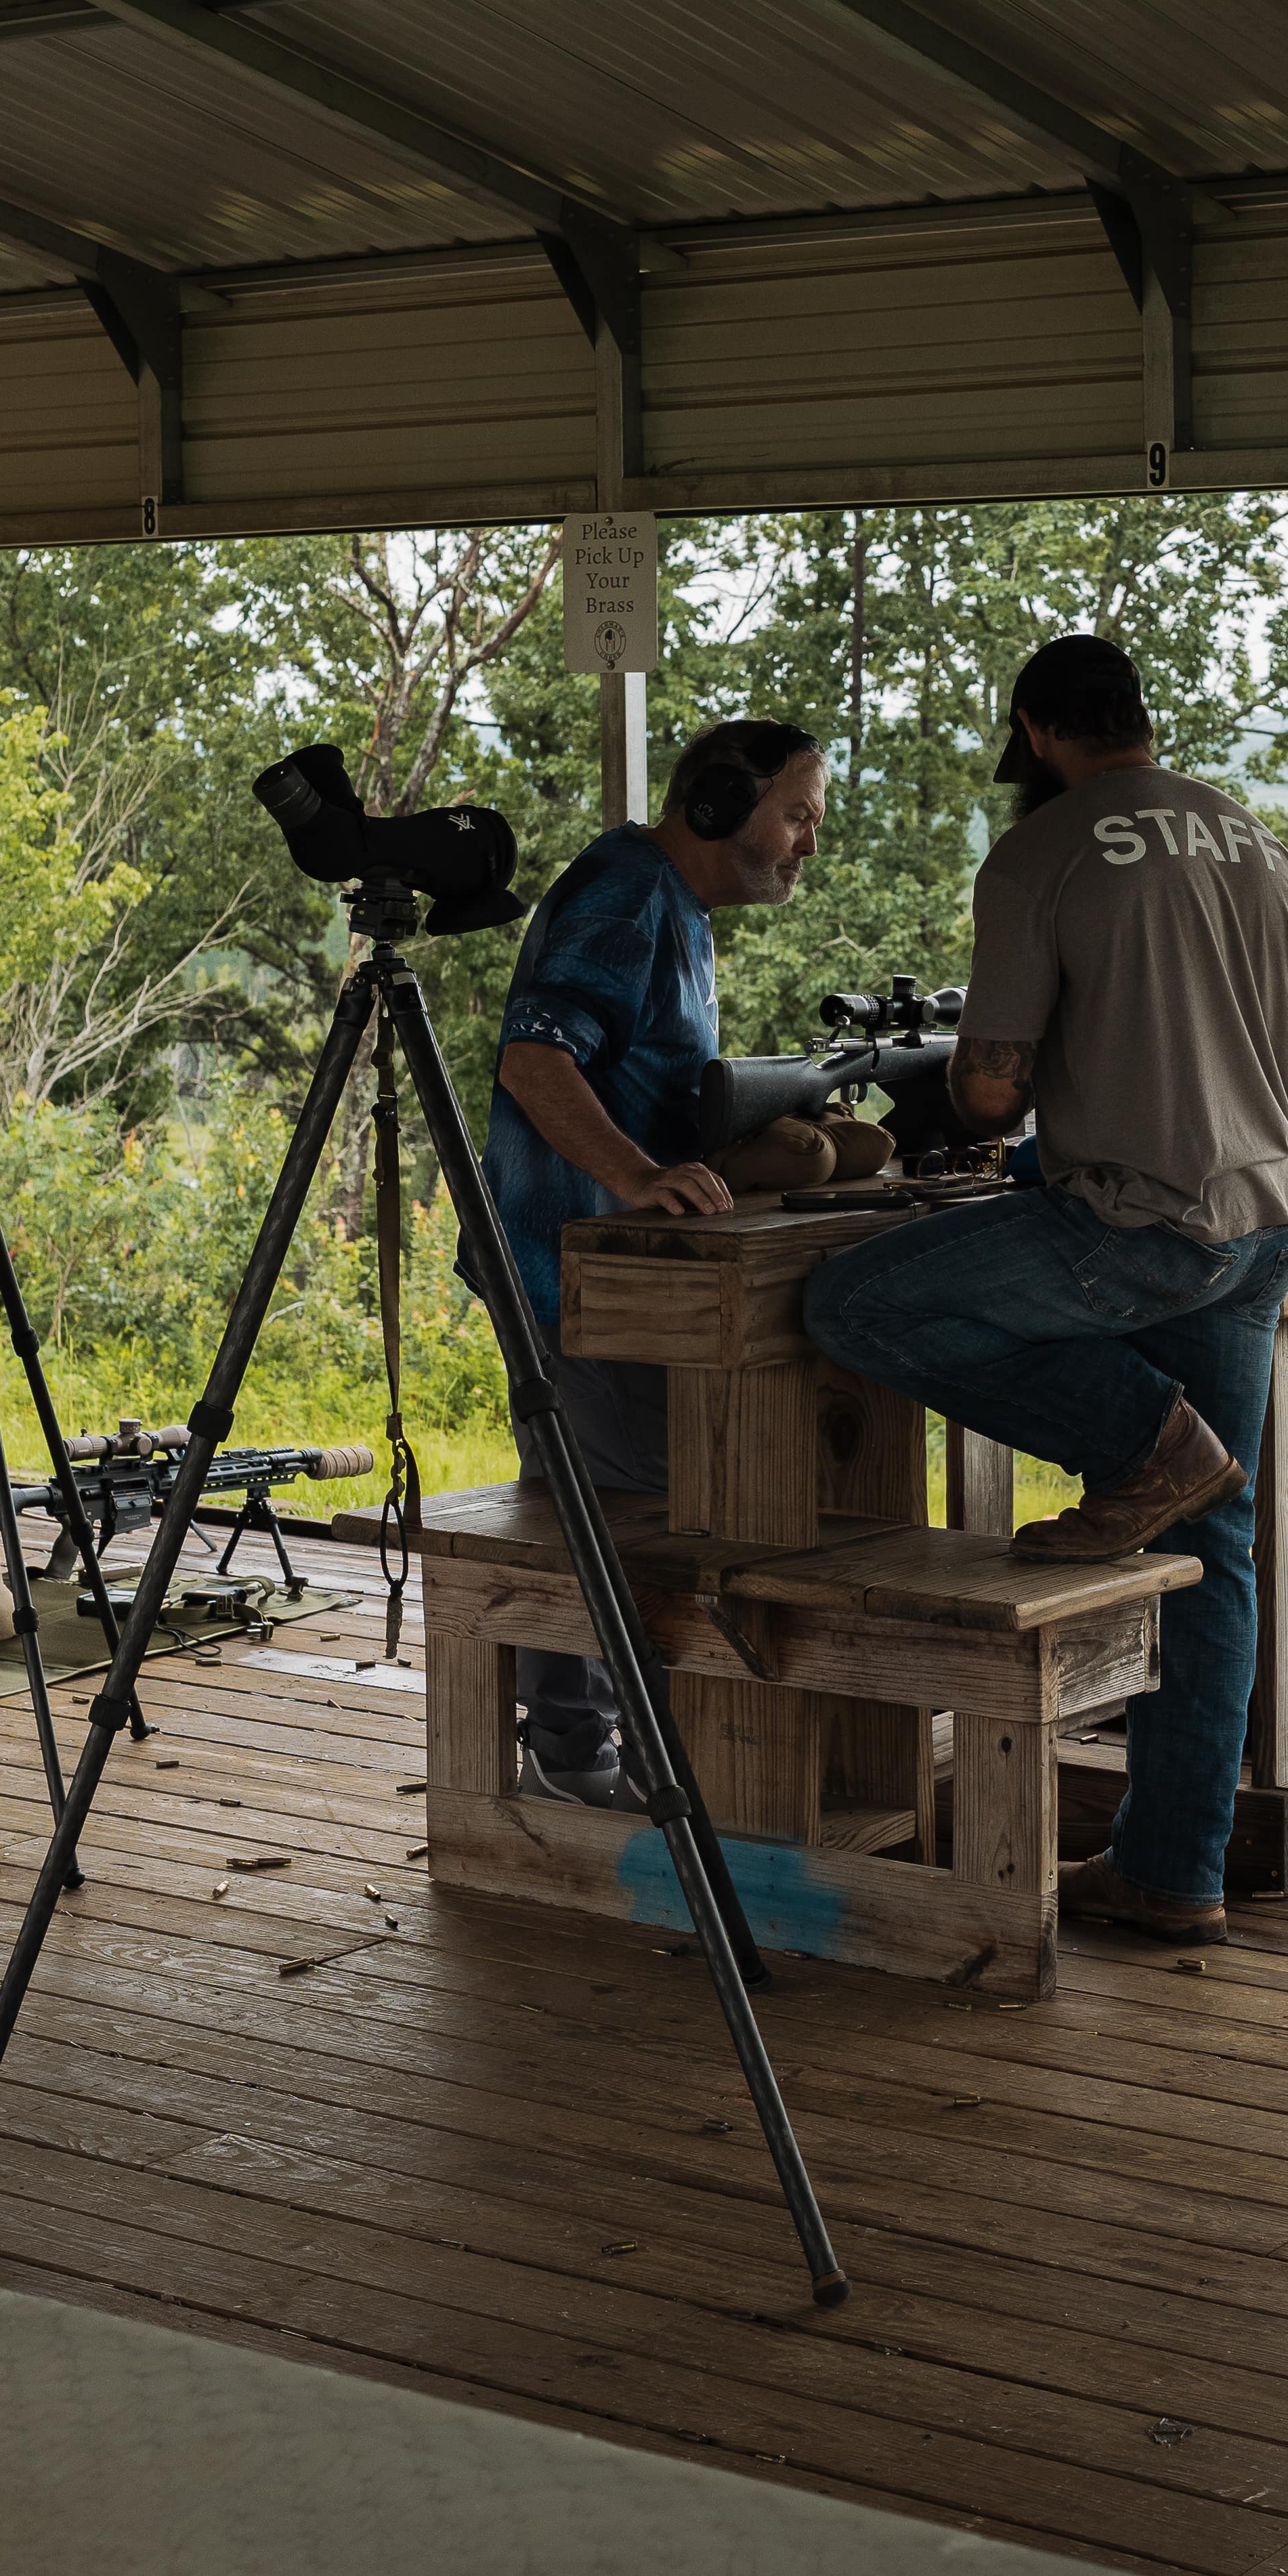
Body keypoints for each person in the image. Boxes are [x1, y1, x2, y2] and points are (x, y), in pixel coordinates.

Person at [802, 635, 1288, 1948]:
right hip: (1262, 1224)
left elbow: (989, 1089)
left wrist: (984, 1088)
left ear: (1036, 729)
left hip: (1134, 1225)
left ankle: (1149, 1441)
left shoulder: (1039, 853)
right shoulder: (1260, 844)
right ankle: (1172, 1871)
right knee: (1211, 1547)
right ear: (1139, 716)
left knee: (853, 1306)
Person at [470, 716, 828, 1803]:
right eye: (797, 816)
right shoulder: (626, 897)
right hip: (579, 1273)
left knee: (593, 1498)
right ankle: (604, 1762)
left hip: (611, 1276)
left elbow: (640, 1081)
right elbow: (536, 1060)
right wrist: (635, 1174)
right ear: (719, 806)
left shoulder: (674, 905)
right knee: (633, 1511)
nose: (809, 843)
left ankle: (581, 1751)